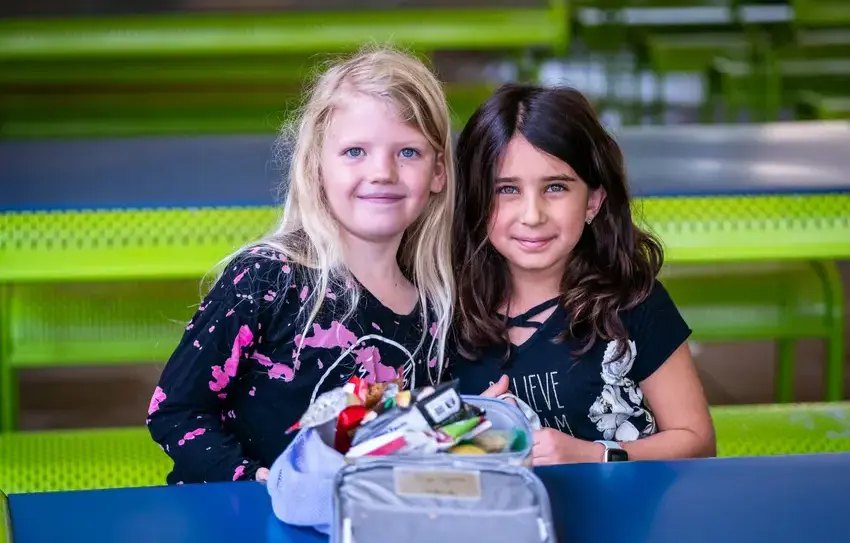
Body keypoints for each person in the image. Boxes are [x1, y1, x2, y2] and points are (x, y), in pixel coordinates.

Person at [147, 46, 455, 484]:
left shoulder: (434, 309)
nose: (382, 172)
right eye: (355, 152)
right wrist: (259, 481)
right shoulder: (266, 279)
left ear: (438, 172)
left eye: (408, 152)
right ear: (316, 167)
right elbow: (174, 411)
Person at [449, 83, 715, 465]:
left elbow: (697, 441)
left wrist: (593, 454)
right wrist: (466, 438)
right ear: (476, 199)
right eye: (507, 190)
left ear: (593, 201)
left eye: (555, 187)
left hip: (625, 519)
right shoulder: (445, 312)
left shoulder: (634, 301)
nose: (532, 215)